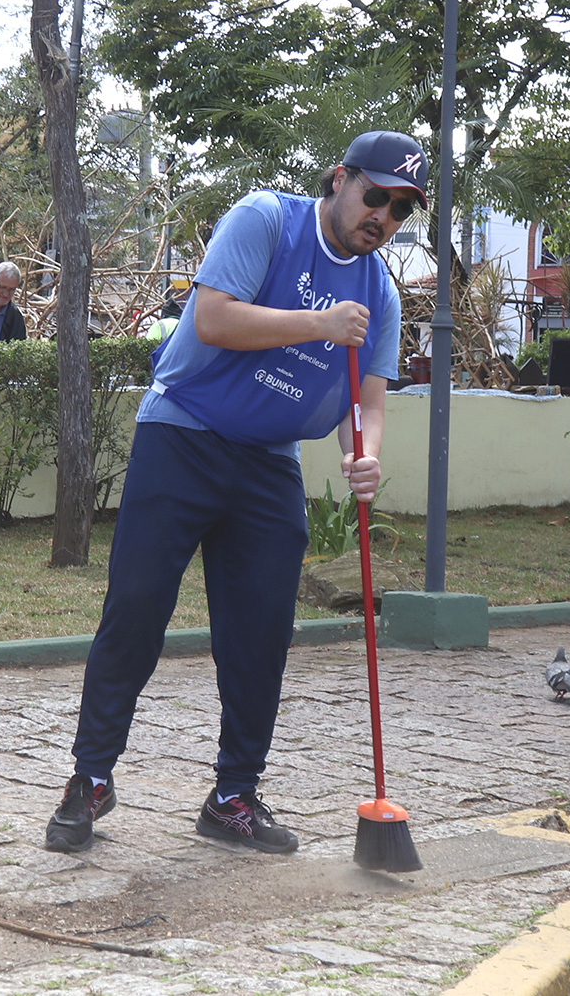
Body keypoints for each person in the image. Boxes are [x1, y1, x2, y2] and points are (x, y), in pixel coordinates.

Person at [44, 129, 426, 856]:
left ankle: (233, 795)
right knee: (136, 609)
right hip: (182, 432)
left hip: (268, 460)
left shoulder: (378, 291)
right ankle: (90, 776)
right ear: (339, 179)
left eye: (401, 209)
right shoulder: (267, 220)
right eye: (375, 195)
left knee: (260, 632)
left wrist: (365, 453)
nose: (383, 216)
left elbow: (366, 403)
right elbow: (213, 317)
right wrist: (319, 323)